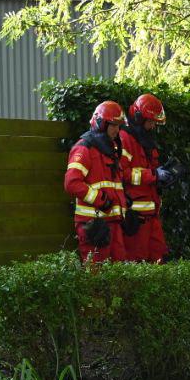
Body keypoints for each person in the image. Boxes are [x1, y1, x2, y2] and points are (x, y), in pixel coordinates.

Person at [64, 100, 127, 263]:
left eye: (118, 126)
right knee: (96, 276)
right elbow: (71, 183)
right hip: (93, 224)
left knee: (120, 275)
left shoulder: (109, 149)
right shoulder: (84, 148)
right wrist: (100, 200)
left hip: (113, 222)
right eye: (113, 125)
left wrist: (124, 206)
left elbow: (113, 184)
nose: (117, 130)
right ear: (100, 123)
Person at [119, 93, 174, 262]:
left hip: (151, 213)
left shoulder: (145, 141)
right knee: (138, 261)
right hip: (137, 215)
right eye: (150, 122)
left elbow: (150, 170)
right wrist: (154, 175)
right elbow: (123, 173)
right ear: (138, 118)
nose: (152, 126)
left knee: (159, 258)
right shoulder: (125, 139)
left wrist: (162, 175)